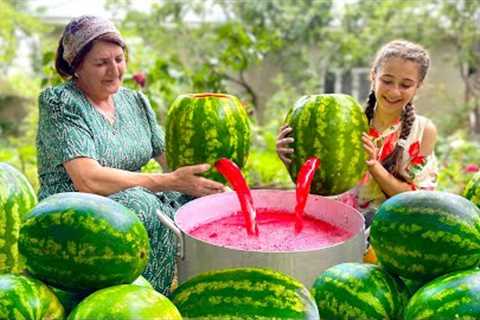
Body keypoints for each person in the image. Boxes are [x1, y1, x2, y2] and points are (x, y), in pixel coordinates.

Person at [36, 15, 226, 294]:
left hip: (131, 199)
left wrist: (211, 175)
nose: (114, 70)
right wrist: (168, 181)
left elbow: (172, 162)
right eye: (101, 63)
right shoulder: (61, 104)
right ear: (76, 67)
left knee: (197, 197)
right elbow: (88, 180)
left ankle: (181, 291)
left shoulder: (135, 101)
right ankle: (134, 300)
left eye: (119, 59)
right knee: (144, 204)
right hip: (72, 215)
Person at [277, 39, 438, 229]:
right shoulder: (346, 123)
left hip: (394, 232)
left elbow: (417, 201)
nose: (394, 91)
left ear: (418, 85)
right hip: (342, 226)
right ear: (373, 75)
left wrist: (374, 166)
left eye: (405, 85)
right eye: (387, 80)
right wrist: (293, 159)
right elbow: (321, 188)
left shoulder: (423, 131)